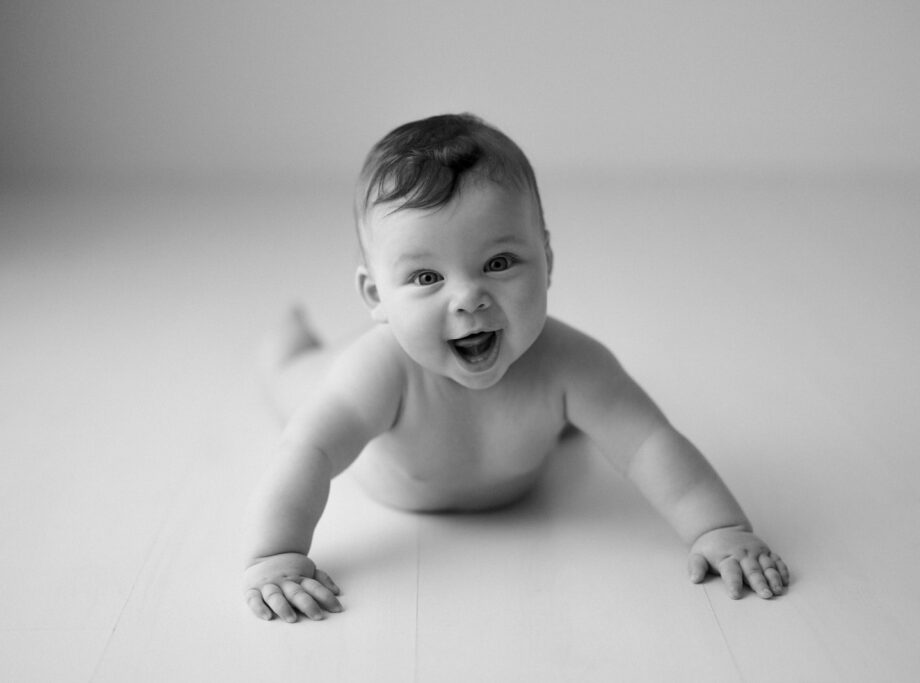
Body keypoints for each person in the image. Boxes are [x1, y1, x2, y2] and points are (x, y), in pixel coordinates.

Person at [242, 113, 789, 623]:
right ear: (376, 293)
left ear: (546, 261)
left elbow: (649, 443)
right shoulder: (376, 373)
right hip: (361, 372)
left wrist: (719, 528)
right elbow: (307, 453)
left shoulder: (571, 363)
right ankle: (287, 336)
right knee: (292, 380)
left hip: (476, 385)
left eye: (498, 264)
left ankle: (561, 415)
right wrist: (277, 555)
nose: (468, 298)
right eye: (426, 277)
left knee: (597, 409)